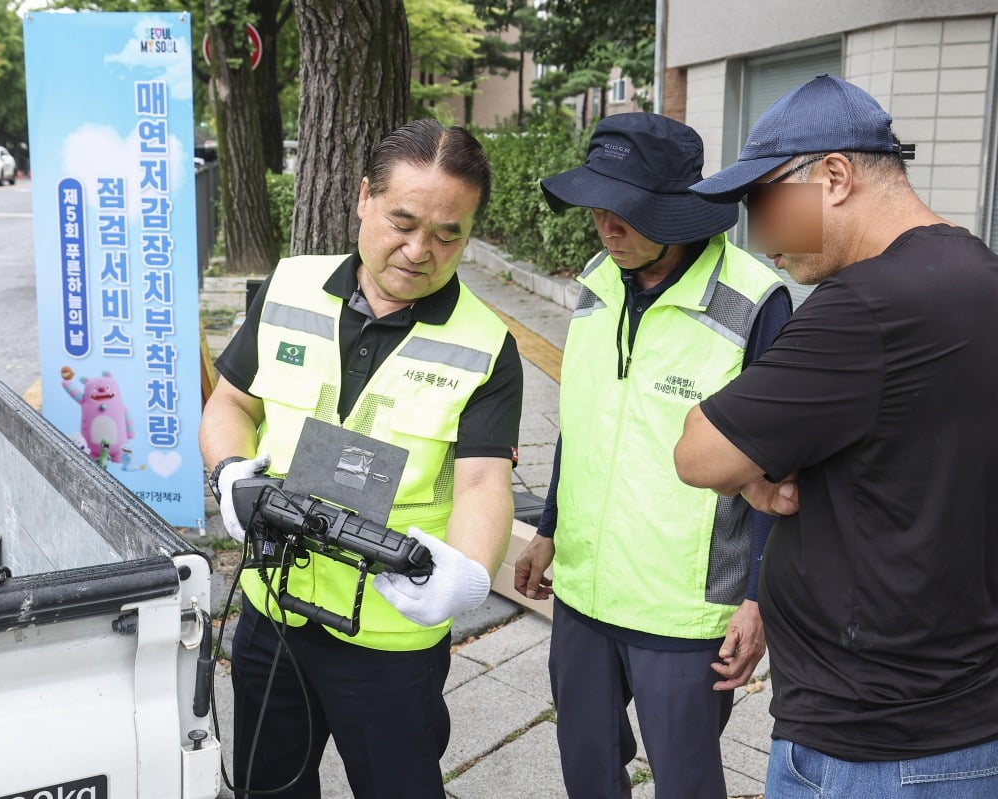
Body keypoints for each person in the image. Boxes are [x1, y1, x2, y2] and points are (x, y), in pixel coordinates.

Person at [676, 74, 998, 797]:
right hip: (965, 720)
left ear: (834, 175)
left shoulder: (866, 306)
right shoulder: (980, 273)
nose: (758, 235)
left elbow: (699, 451)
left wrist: (748, 471)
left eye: (761, 201)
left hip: (870, 749)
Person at [198, 119, 523, 799]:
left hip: (389, 631)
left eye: (448, 234)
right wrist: (230, 472)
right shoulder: (287, 288)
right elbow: (231, 403)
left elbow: (484, 480)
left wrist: (466, 573)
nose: (418, 250)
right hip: (273, 605)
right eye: (402, 221)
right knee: (266, 786)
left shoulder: (486, 345)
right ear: (363, 198)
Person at [513, 112, 792, 799]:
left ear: (673, 209)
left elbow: (780, 468)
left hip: (683, 612)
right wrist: (547, 532)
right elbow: (583, 419)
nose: (606, 225)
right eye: (598, 207)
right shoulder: (597, 280)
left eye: (626, 211)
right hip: (582, 592)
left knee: (687, 783)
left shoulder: (756, 302)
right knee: (588, 772)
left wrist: (758, 596)